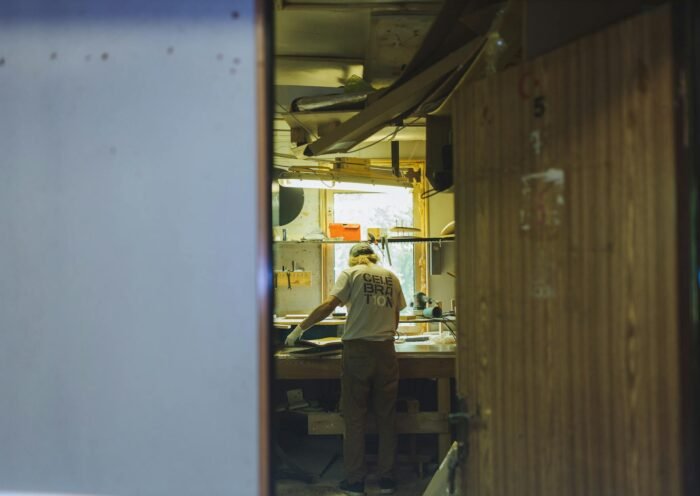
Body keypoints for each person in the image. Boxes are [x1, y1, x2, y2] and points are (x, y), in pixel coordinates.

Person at [285, 242, 406, 495]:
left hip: (358, 352)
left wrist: (300, 328)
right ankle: (387, 480)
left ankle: (355, 481)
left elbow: (329, 305)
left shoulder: (351, 274)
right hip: (386, 350)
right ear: (373, 257)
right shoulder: (392, 277)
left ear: (353, 258)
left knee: (354, 417)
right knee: (386, 417)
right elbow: (395, 317)